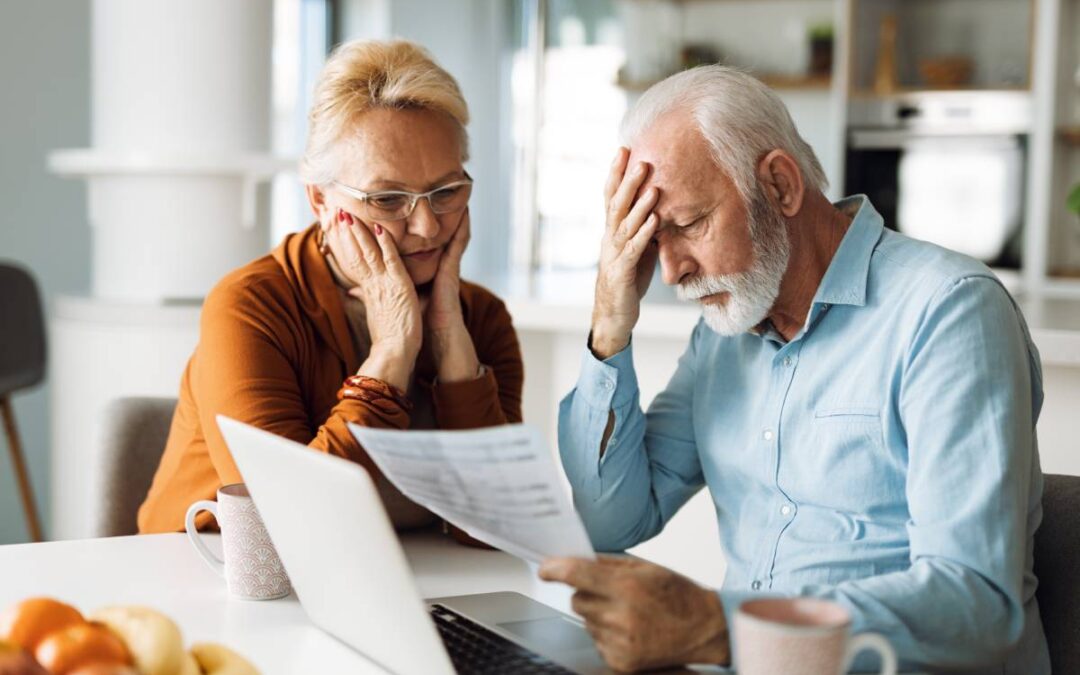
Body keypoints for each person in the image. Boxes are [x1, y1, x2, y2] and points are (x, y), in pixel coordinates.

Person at [540, 65, 1048, 674]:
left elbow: (976, 603)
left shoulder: (948, 311)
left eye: (690, 225)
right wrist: (609, 321)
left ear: (780, 184)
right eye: (652, 240)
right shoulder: (724, 335)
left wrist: (716, 626)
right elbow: (609, 520)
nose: (671, 272)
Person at [138, 39, 523, 536]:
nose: (427, 226)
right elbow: (287, 523)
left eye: (446, 191)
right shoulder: (251, 306)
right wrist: (392, 351)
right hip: (217, 585)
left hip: (403, 584)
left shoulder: (482, 318)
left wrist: (450, 340)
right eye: (387, 198)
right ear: (319, 199)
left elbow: (497, 528)